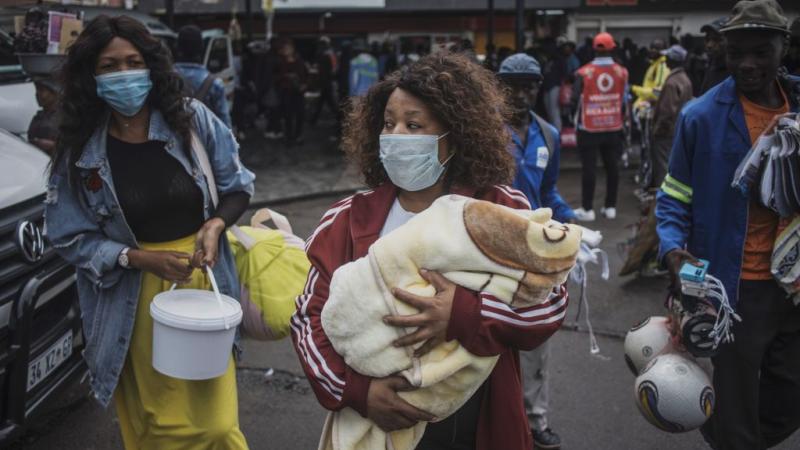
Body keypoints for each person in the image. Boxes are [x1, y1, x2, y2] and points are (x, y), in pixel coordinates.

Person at [292, 53, 567, 450]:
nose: (396, 135)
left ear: (454, 134)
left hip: (477, 425)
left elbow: (551, 303)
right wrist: (359, 392)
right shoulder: (348, 219)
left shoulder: (499, 209)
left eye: (413, 124)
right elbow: (306, 318)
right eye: (389, 124)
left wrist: (463, 314)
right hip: (373, 424)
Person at [44, 15, 254, 449]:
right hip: (130, 300)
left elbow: (238, 186)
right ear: (91, 75)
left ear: (151, 65)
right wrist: (136, 257)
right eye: (109, 66)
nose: (124, 74)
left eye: (133, 61)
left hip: (201, 285)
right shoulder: (81, 147)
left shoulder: (191, 121)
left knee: (215, 424)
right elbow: (67, 236)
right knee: (156, 425)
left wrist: (215, 224)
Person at [655, 1, 800, 449]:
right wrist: (672, 249)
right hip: (735, 291)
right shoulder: (701, 117)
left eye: (761, 51)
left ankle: (723, 433)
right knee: (737, 408)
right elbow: (674, 197)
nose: (747, 64)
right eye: (737, 53)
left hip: (793, 283)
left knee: (790, 396)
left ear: (784, 47)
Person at [497, 52, 574, 450]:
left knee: (536, 340)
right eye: (514, 85)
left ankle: (535, 421)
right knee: (487, 334)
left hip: (535, 254)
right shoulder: (486, 132)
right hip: (490, 251)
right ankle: (487, 420)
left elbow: (548, 191)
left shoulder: (548, 134)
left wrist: (571, 220)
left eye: (529, 85)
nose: (522, 93)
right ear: (501, 87)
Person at [571, 32, 629, 222]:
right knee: (612, 167)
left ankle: (588, 209)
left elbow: (574, 99)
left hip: (588, 127)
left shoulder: (583, 72)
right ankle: (610, 207)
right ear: (613, 48)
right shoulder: (622, 72)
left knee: (589, 168)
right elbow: (625, 100)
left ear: (594, 49)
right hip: (614, 126)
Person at [650, 44, 693, 188]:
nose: (665, 59)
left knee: (662, 166)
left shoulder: (671, 82)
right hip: (678, 130)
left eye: (667, 57)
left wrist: (657, 131)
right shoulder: (684, 79)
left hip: (666, 133)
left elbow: (667, 112)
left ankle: (663, 198)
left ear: (673, 60)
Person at [174, 25, 232, 128]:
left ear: (177, 47)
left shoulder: (165, 79)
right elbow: (225, 127)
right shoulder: (215, 84)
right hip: (205, 143)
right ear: (201, 48)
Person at [276, 38, 308, 146]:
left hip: (299, 92)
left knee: (300, 115)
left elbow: (305, 75)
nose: (286, 50)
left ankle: (298, 136)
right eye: (285, 48)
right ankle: (289, 138)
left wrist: (304, 85)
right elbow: (276, 76)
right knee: (288, 116)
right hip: (287, 91)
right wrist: (285, 76)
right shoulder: (280, 62)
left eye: (288, 48)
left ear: (293, 49)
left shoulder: (299, 60)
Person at [309, 36, 339, 127]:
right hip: (326, 81)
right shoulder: (326, 53)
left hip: (325, 81)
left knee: (325, 102)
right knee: (325, 101)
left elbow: (333, 68)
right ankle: (314, 120)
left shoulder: (326, 54)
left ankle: (314, 120)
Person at [631, 38, 669, 105]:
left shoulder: (662, 66)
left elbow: (657, 93)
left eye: (657, 48)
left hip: (653, 107)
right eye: (651, 48)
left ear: (664, 51)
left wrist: (634, 89)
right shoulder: (654, 64)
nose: (653, 50)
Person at [27, 77, 59, 154]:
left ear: (54, 93)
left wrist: (52, 146)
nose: (37, 94)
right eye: (37, 90)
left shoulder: (65, 117)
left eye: (42, 90)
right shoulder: (39, 117)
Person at [699, 17, 729, 95]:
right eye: (707, 39)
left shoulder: (735, 72)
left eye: (717, 39)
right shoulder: (712, 64)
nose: (709, 45)